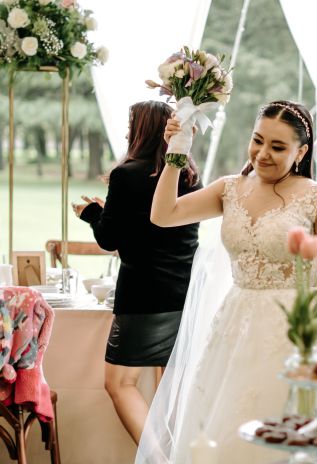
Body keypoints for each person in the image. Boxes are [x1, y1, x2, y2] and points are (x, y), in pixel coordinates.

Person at [135, 100, 317, 463]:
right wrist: (176, 153)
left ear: (301, 152)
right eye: (258, 140)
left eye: (277, 147)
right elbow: (164, 214)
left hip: (301, 330)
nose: (263, 154)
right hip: (237, 328)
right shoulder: (229, 189)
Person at [72, 100, 202, 444]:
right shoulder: (189, 175)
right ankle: (174, 453)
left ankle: (157, 458)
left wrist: (90, 213)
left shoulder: (126, 174)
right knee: (168, 385)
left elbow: (109, 238)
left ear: (141, 130)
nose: (128, 132)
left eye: (132, 126)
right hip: (185, 294)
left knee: (119, 384)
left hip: (144, 295)